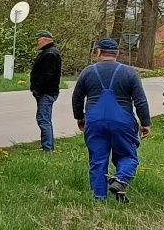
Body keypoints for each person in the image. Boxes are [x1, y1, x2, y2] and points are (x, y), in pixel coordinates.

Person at [71, 37, 151, 201]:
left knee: (98, 159)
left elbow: (77, 97)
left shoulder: (88, 71)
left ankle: (99, 198)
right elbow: (140, 100)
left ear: (99, 52)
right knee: (128, 155)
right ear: (117, 53)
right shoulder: (130, 72)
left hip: (95, 121)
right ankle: (120, 179)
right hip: (122, 122)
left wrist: (79, 117)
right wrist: (145, 123)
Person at [27, 30, 62, 150]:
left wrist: (38, 88)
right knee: (43, 118)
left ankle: (48, 147)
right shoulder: (47, 52)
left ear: (46, 40)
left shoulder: (50, 54)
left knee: (44, 119)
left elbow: (48, 75)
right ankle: (46, 145)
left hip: (46, 92)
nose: (37, 42)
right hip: (45, 91)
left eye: (38, 39)